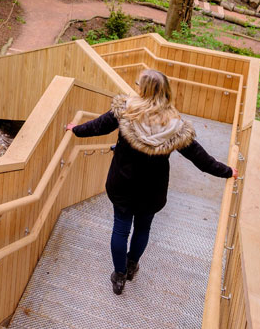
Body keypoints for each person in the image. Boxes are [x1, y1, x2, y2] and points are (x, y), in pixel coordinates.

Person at [66, 69, 234, 295]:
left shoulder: (125, 111)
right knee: (143, 228)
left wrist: (74, 129)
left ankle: (119, 276)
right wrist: (227, 171)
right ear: (166, 92)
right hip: (152, 190)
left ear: (142, 89)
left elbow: (96, 127)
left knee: (120, 229)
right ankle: (132, 265)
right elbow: (201, 159)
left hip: (122, 185)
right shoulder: (175, 126)